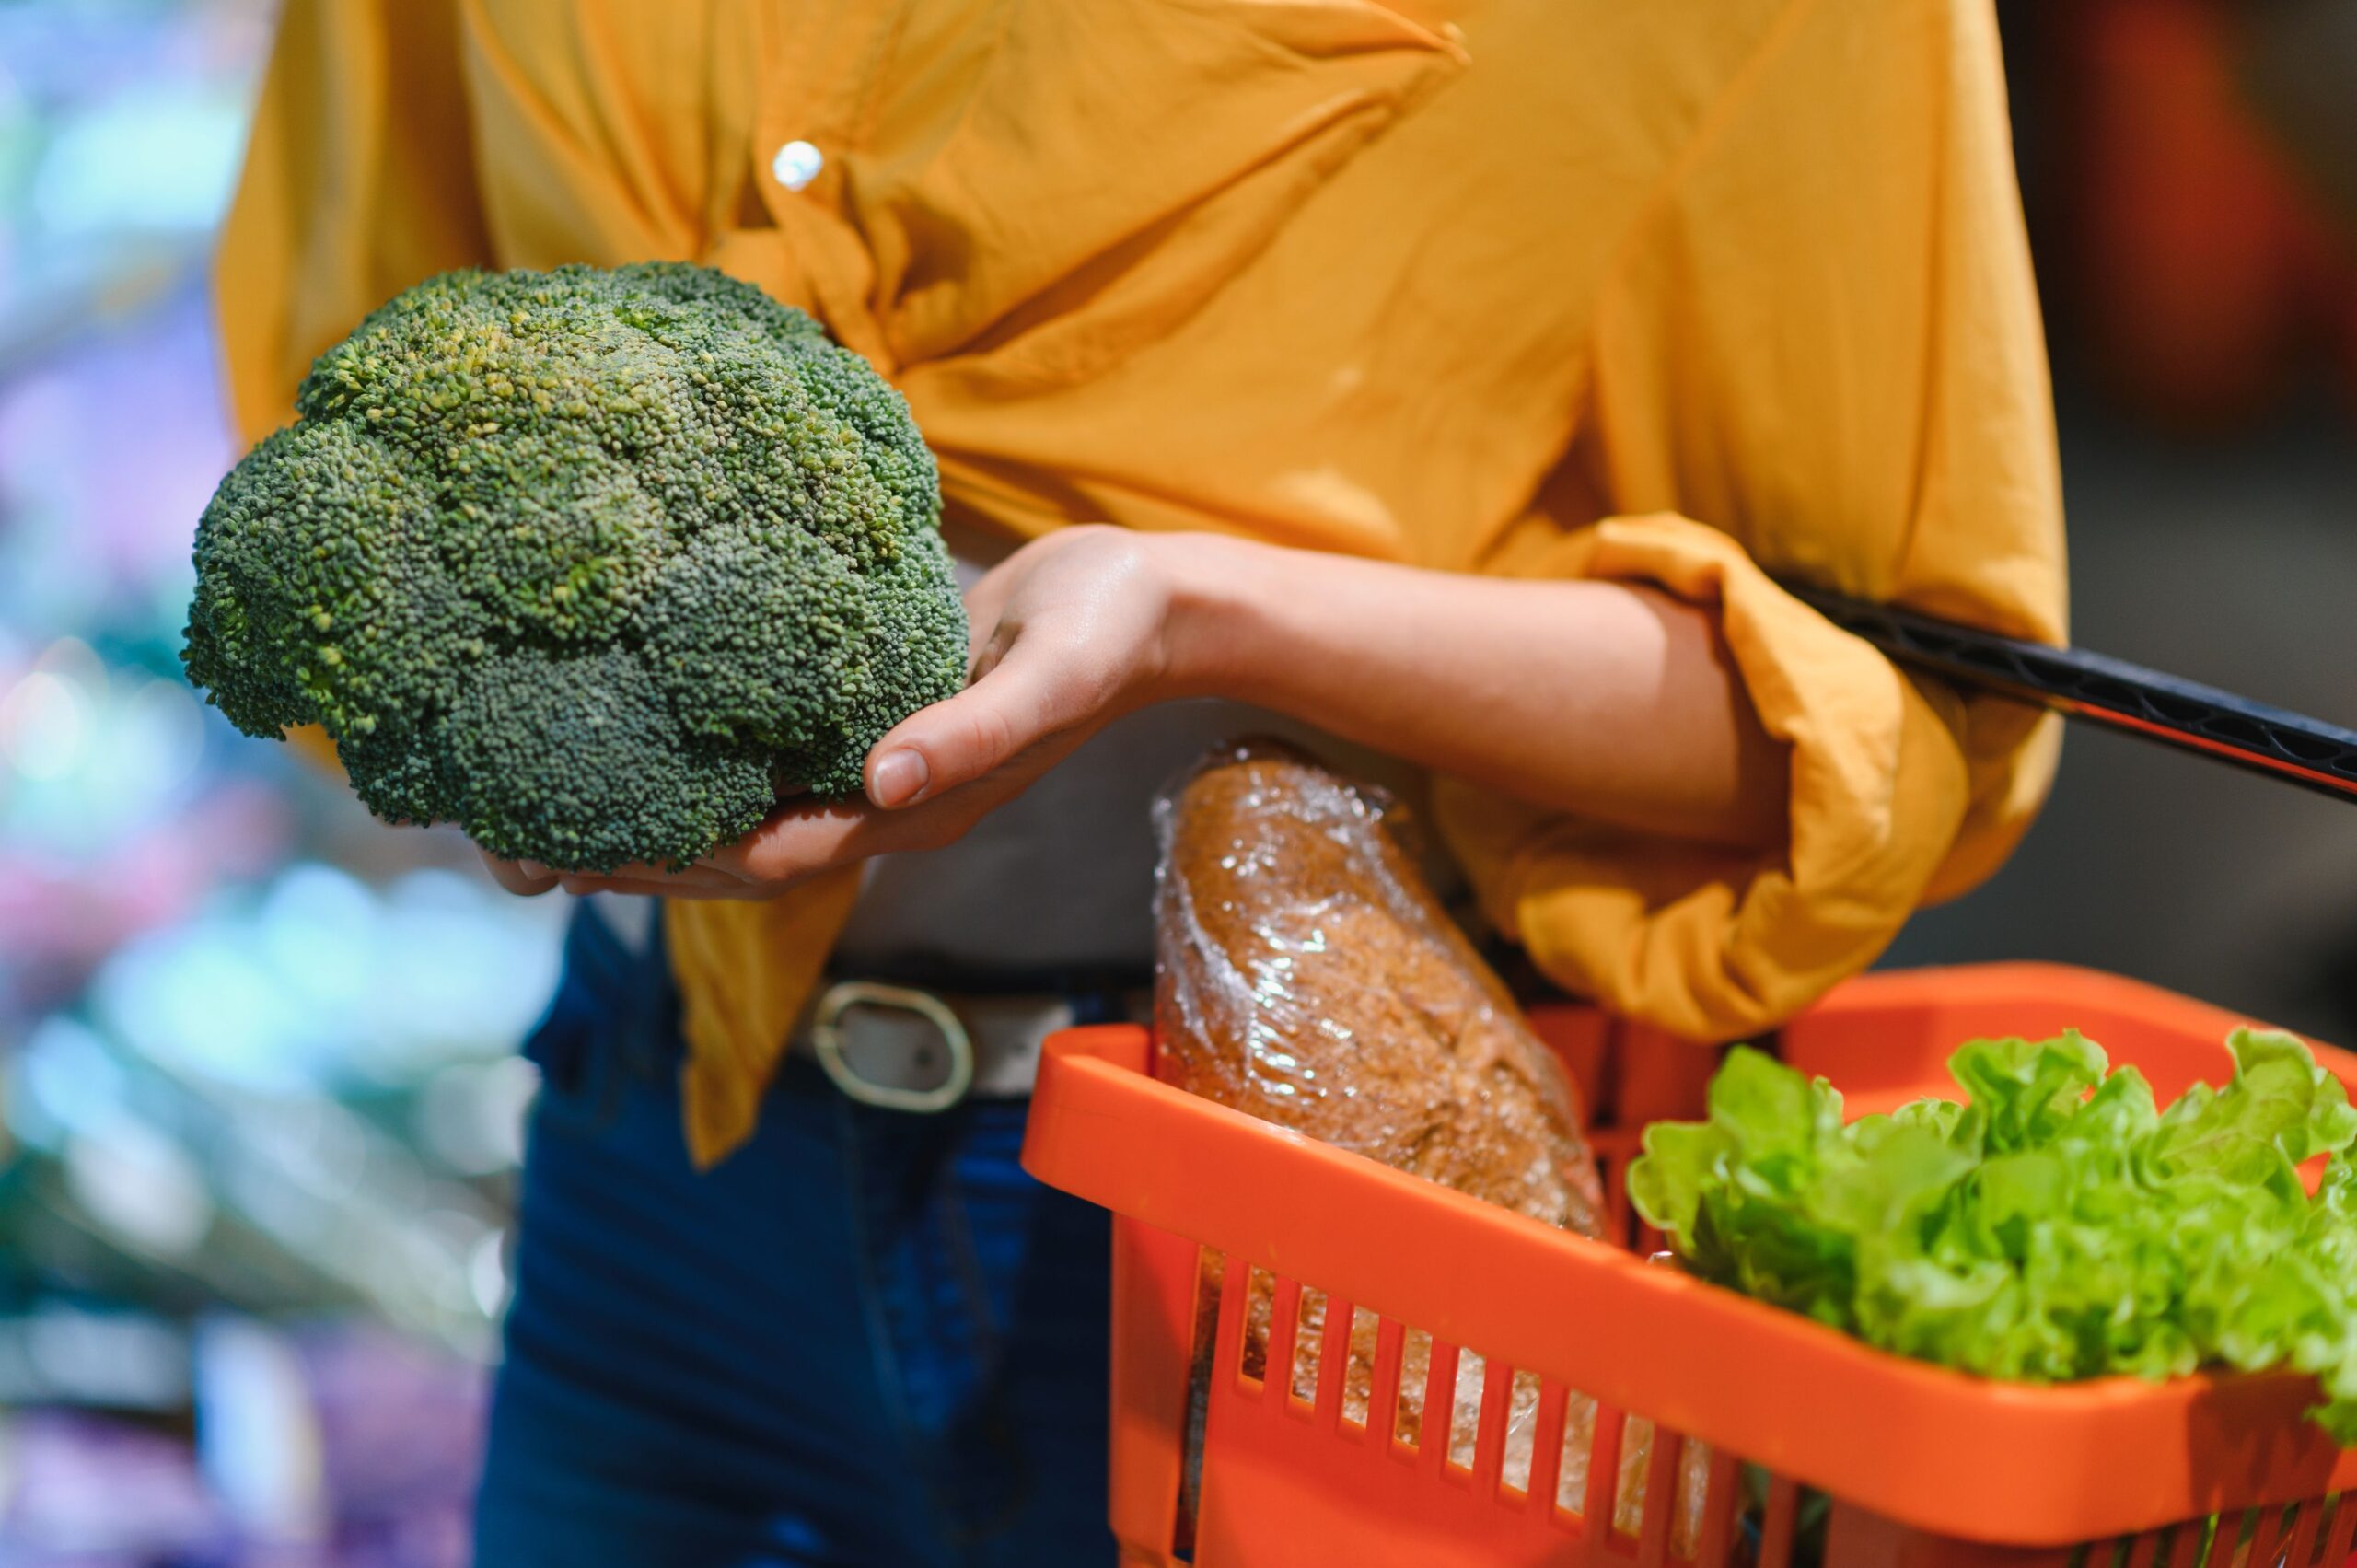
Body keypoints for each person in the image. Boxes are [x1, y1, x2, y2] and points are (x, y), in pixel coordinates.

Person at [215, 2, 2065, 1562]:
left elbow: (1893, 709)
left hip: (1284, 1245)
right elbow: (357, 372)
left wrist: (1199, 610)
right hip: (666, 1163)